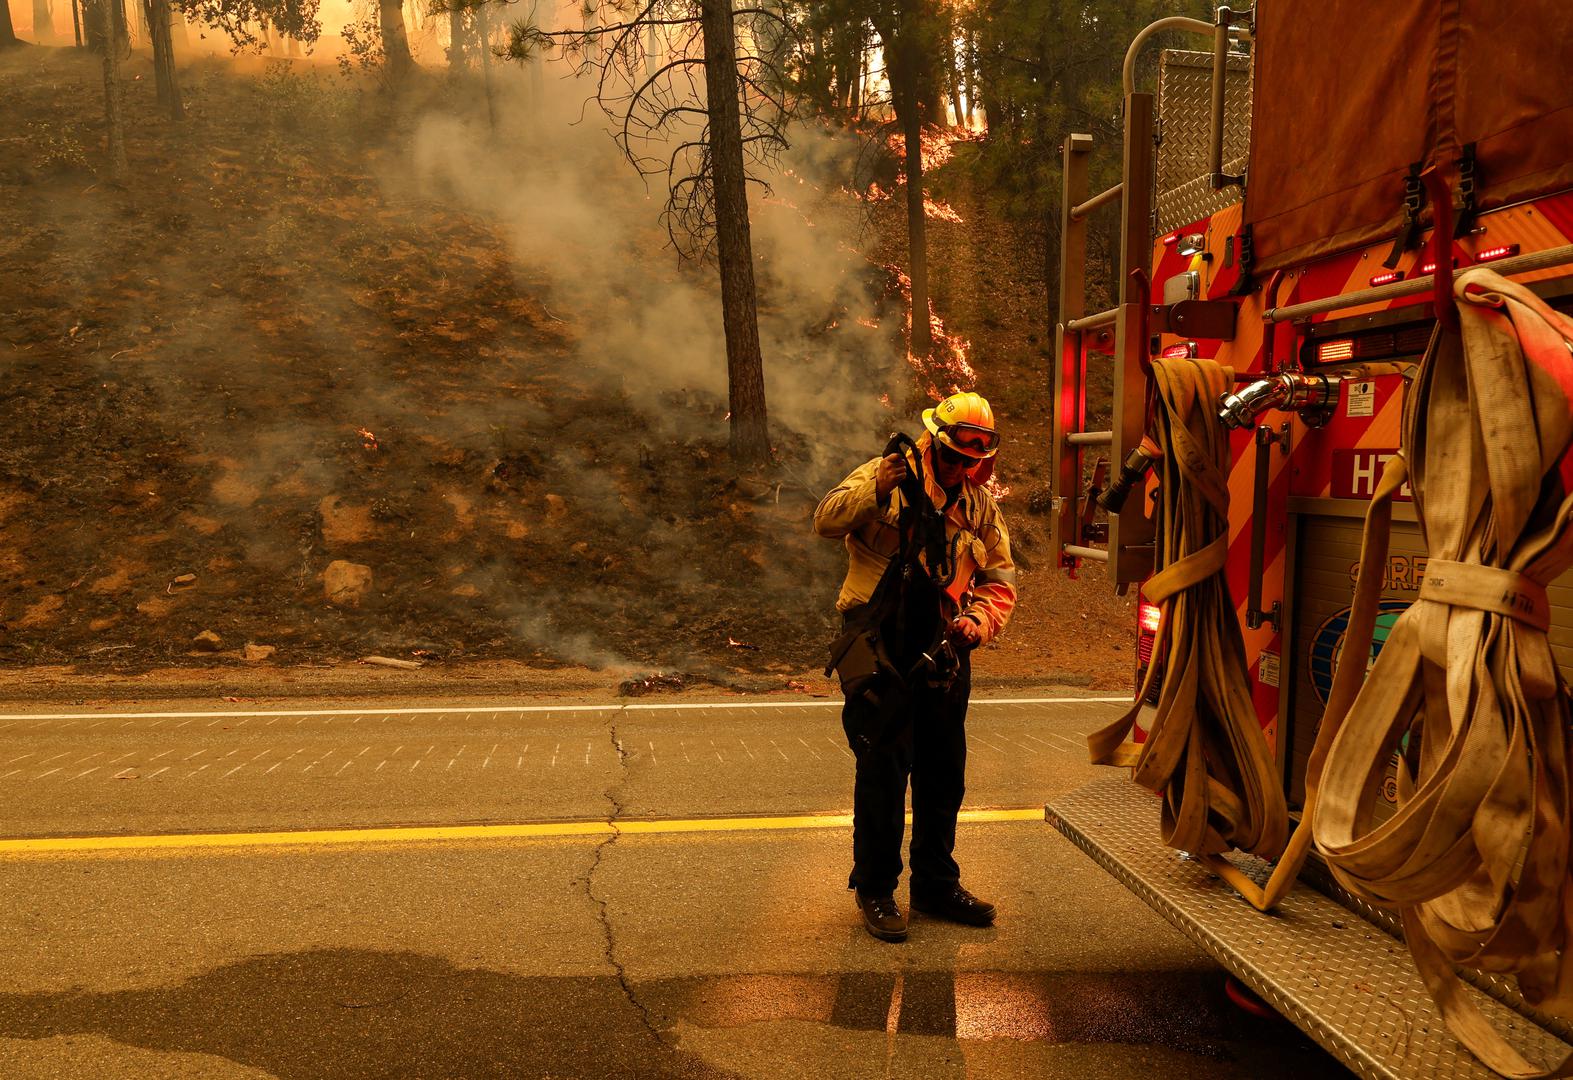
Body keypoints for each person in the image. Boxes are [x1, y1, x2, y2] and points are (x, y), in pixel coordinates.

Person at [813, 391, 1017, 942]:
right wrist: (876, 486)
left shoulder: (978, 506)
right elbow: (826, 520)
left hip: (944, 645)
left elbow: (1000, 580)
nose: (962, 468)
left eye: (974, 460)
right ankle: (876, 889)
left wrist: (977, 622)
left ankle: (934, 884)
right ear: (934, 443)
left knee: (943, 771)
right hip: (879, 642)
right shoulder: (887, 477)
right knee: (883, 769)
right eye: (953, 456)